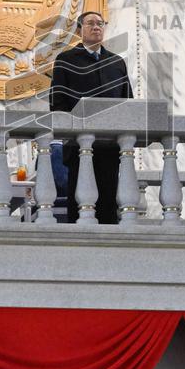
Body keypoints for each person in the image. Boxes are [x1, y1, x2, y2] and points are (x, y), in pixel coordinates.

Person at [49, 11, 133, 224]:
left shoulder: (116, 62)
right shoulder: (65, 60)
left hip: (110, 148)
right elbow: (57, 104)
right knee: (80, 208)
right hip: (79, 148)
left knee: (108, 208)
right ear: (79, 30)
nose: (97, 27)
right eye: (91, 23)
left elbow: (127, 102)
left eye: (100, 24)